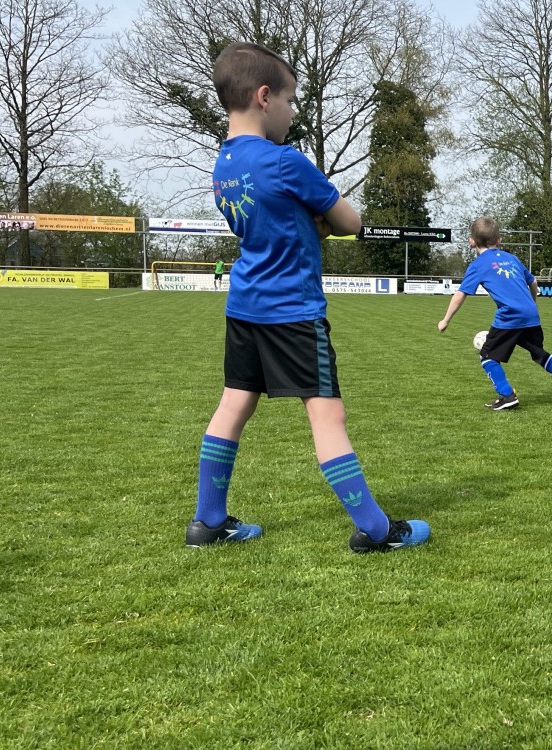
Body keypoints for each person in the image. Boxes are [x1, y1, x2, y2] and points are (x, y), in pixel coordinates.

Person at [187, 42, 428, 553]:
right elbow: (351, 222)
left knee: (233, 405)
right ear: (264, 97)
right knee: (327, 416)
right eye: (292, 101)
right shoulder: (285, 162)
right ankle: (377, 530)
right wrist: (319, 220)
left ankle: (207, 521)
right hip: (293, 311)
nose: (294, 113)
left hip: (245, 305)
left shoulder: (223, 166)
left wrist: (303, 223)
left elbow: (258, 226)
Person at [438, 216, 552, 408]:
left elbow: (460, 294)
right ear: (499, 240)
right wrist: (533, 304)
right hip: (530, 315)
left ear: (472, 241)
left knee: (487, 356)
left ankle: (507, 396)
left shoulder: (478, 265)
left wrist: (445, 320)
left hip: (509, 316)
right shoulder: (512, 259)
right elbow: (533, 282)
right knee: (539, 354)